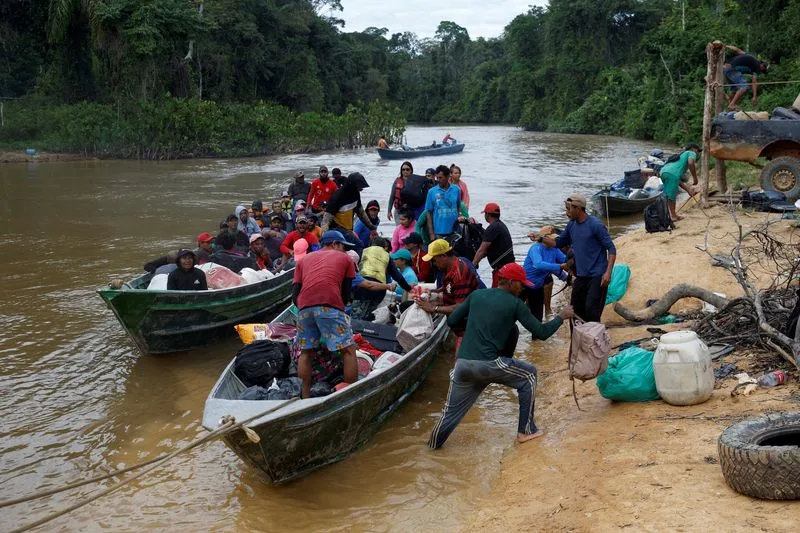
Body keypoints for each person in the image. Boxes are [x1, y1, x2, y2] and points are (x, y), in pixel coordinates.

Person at [427, 263, 575, 449]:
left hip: (462, 364)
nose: (522, 288)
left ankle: (431, 448)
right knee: (529, 375)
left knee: (450, 414)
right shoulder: (515, 304)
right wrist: (561, 316)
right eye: (521, 284)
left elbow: (453, 320)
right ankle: (526, 431)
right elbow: (542, 332)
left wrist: (476, 325)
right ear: (511, 283)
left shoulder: (477, 295)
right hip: (488, 364)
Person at [293, 230, 359, 398]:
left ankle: (304, 398)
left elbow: (295, 295)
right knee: (348, 351)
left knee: (306, 352)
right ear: (335, 244)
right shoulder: (346, 259)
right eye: (342, 246)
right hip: (329, 305)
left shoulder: (303, 259)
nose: (344, 249)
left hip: (303, 307)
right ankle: (350, 394)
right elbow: (345, 295)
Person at [554, 193, 616, 323]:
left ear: (578, 208)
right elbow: (558, 243)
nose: (567, 212)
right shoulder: (571, 225)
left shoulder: (596, 225)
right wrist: (540, 238)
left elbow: (611, 249)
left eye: (569, 209)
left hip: (597, 275)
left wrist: (608, 273)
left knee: (591, 310)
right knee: (574, 310)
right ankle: (578, 341)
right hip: (582, 276)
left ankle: (594, 340)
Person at [352, 237, 413, 319]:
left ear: (371, 245)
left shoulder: (363, 251)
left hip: (362, 287)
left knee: (356, 317)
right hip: (379, 289)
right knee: (368, 316)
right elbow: (397, 276)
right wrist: (408, 288)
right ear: (384, 247)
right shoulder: (387, 256)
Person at [321, 172, 376, 255]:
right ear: (352, 185)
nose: (361, 189)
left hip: (348, 229)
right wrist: (324, 239)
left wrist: (371, 227)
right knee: (359, 245)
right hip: (336, 228)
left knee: (350, 248)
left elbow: (360, 212)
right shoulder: (338, 196)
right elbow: (326, 220)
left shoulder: (356, 194)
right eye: (359, 187)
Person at [523, 226, 568, 321]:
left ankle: (547, 314)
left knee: (537, 317)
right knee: (526, 312)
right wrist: (559, 267)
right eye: (552, 238)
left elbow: (565, 260)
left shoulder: (554, 249)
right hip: (526, 284)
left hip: (539, 285)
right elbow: (538, 264)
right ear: (544, 238)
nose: (554, 240)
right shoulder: (535, 248)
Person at [472, 202, 514, 287]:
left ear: (487, 214)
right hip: (509, 266)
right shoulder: (500, 225)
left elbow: (482, 250)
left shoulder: (492, 228)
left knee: (497, 295)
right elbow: (486, 251)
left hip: (502, 270)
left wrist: (472, 266)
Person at [659, 143, 701, 221]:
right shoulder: (691, 153)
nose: (697, 153)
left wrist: (688, 190)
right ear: (693, 148)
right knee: (671, 196)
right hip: (671, 174)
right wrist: (695, 178)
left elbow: (677, 180)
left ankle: (672, 214)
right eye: (697, 150)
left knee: (669, 194)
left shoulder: (680, 156)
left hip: (663, 172)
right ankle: (673, 216)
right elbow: (691, 163)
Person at [722, 44, 768, 111]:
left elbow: (737, 50)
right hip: (733, 70)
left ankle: (729, 107)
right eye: (763, 71)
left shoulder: (750, 57)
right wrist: (754, 96)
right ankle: (732, 105)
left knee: (735, 90)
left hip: (726, 69)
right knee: (744, 86)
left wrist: (726, 46)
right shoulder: (757, 66)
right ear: (762, 66)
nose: (761, 72)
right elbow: (754, 82)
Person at [425, 165, 461, 239]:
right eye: (437, 177)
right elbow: (429, 213)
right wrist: (431, 234)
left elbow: (458, 207)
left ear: (448, 177)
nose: (438, 180)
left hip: (455, 230)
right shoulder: (432, 192)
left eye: (440, 177)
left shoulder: (456, 190)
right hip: (439, 232)